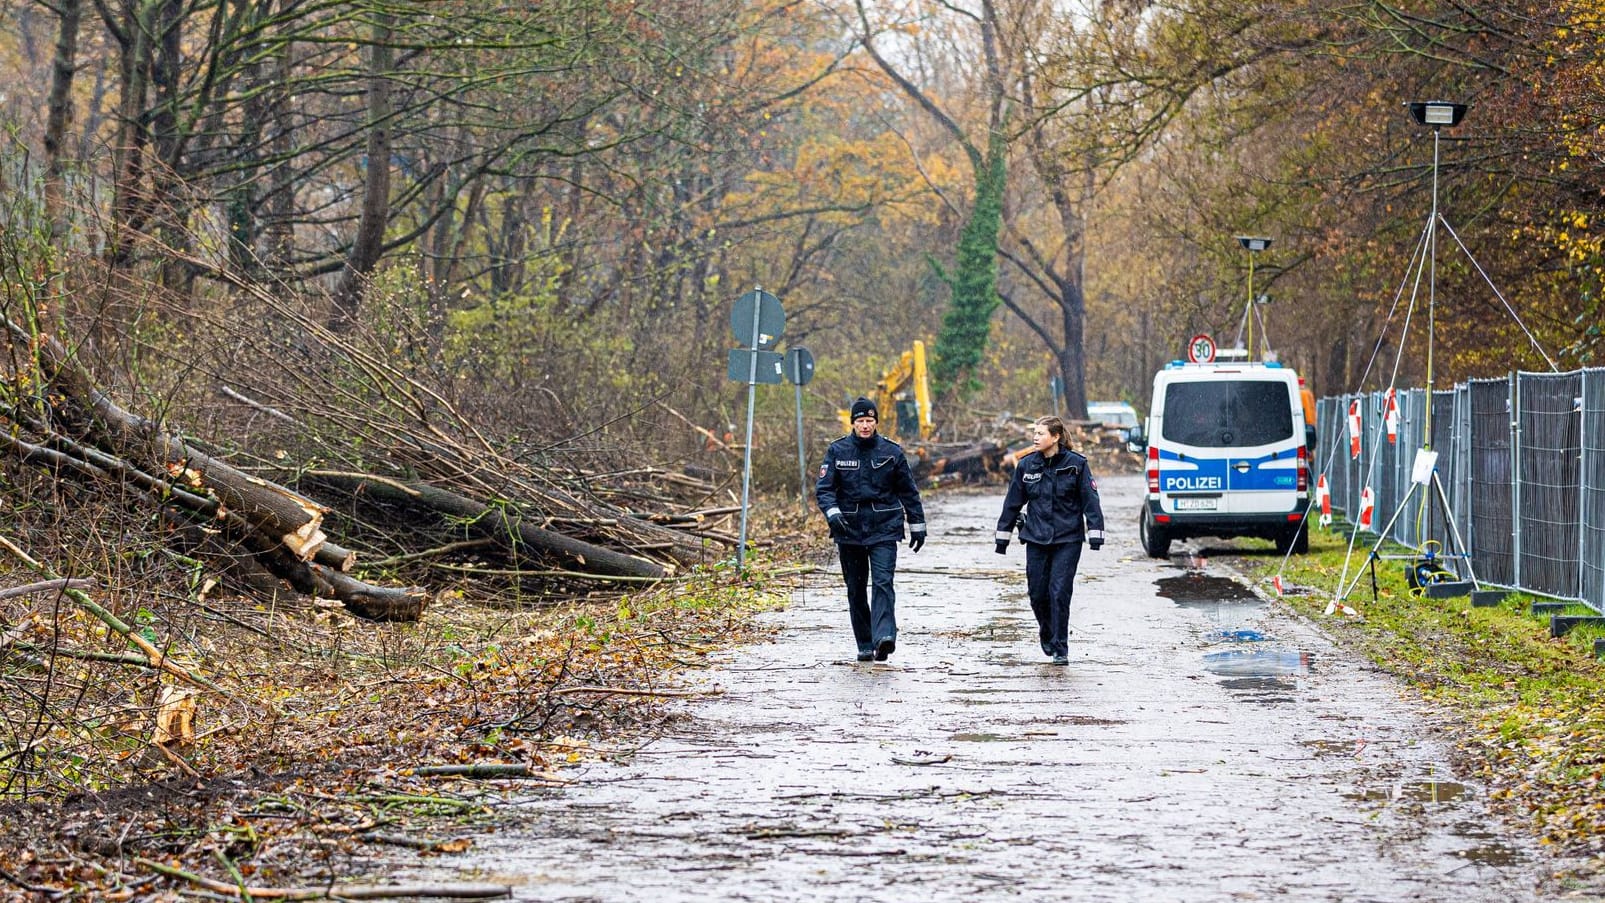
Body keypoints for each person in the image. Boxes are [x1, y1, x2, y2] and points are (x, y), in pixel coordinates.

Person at [816, 396, 927, 662]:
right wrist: (833, 514)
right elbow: (825, 489)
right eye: (860, 421)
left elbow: (908, 491)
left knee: (882, 582)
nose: (865, 426)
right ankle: (865, 643)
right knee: (855, 588)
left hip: (884, 528)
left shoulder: (892, 451)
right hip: (849, 529)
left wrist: (917, 525)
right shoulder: (837, 451)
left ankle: (884, 637)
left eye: (869, 421)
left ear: (876, 422)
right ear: (852, 423)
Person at [994, 415, 1105, 665]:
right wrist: (1002, 537)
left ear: (1055, 437)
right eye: (1034, 432)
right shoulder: (1026, 466)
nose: (1035, 437)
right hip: (1036, 538)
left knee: (1059, 592)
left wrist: (1096, 533)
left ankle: (1060, 647)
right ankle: (1047, 631)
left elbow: (1091, 501)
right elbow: (1012, 503)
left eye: (1041, 433)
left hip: (1068, 539)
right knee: (1037, 594)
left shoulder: (1076, 465)